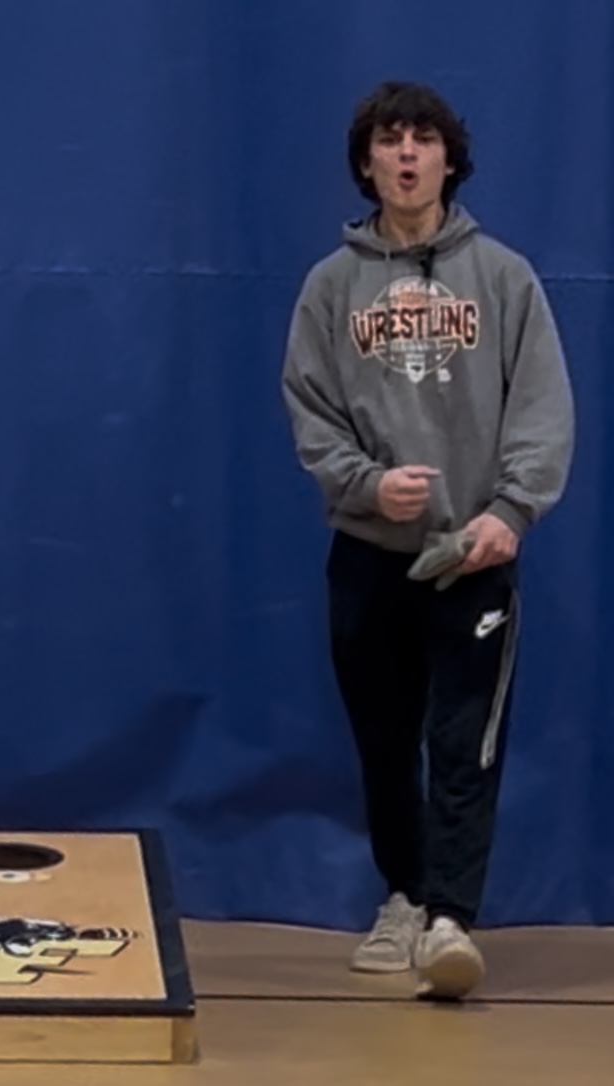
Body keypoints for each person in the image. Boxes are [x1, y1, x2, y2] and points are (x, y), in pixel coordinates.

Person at [281, 82, 574, 1000]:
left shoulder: (505, 277)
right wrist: (369, 485)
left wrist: (511, 512)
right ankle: (403, 896)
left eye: (424, 140)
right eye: (388, 140)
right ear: (366, 162)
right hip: (370, 555)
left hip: (474, 555)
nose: (407, 155)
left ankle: (451, 918)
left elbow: (540, 407)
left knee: (464, 743)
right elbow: (310, 408)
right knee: (382, 739)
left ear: (451, 159)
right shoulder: (333, 287)